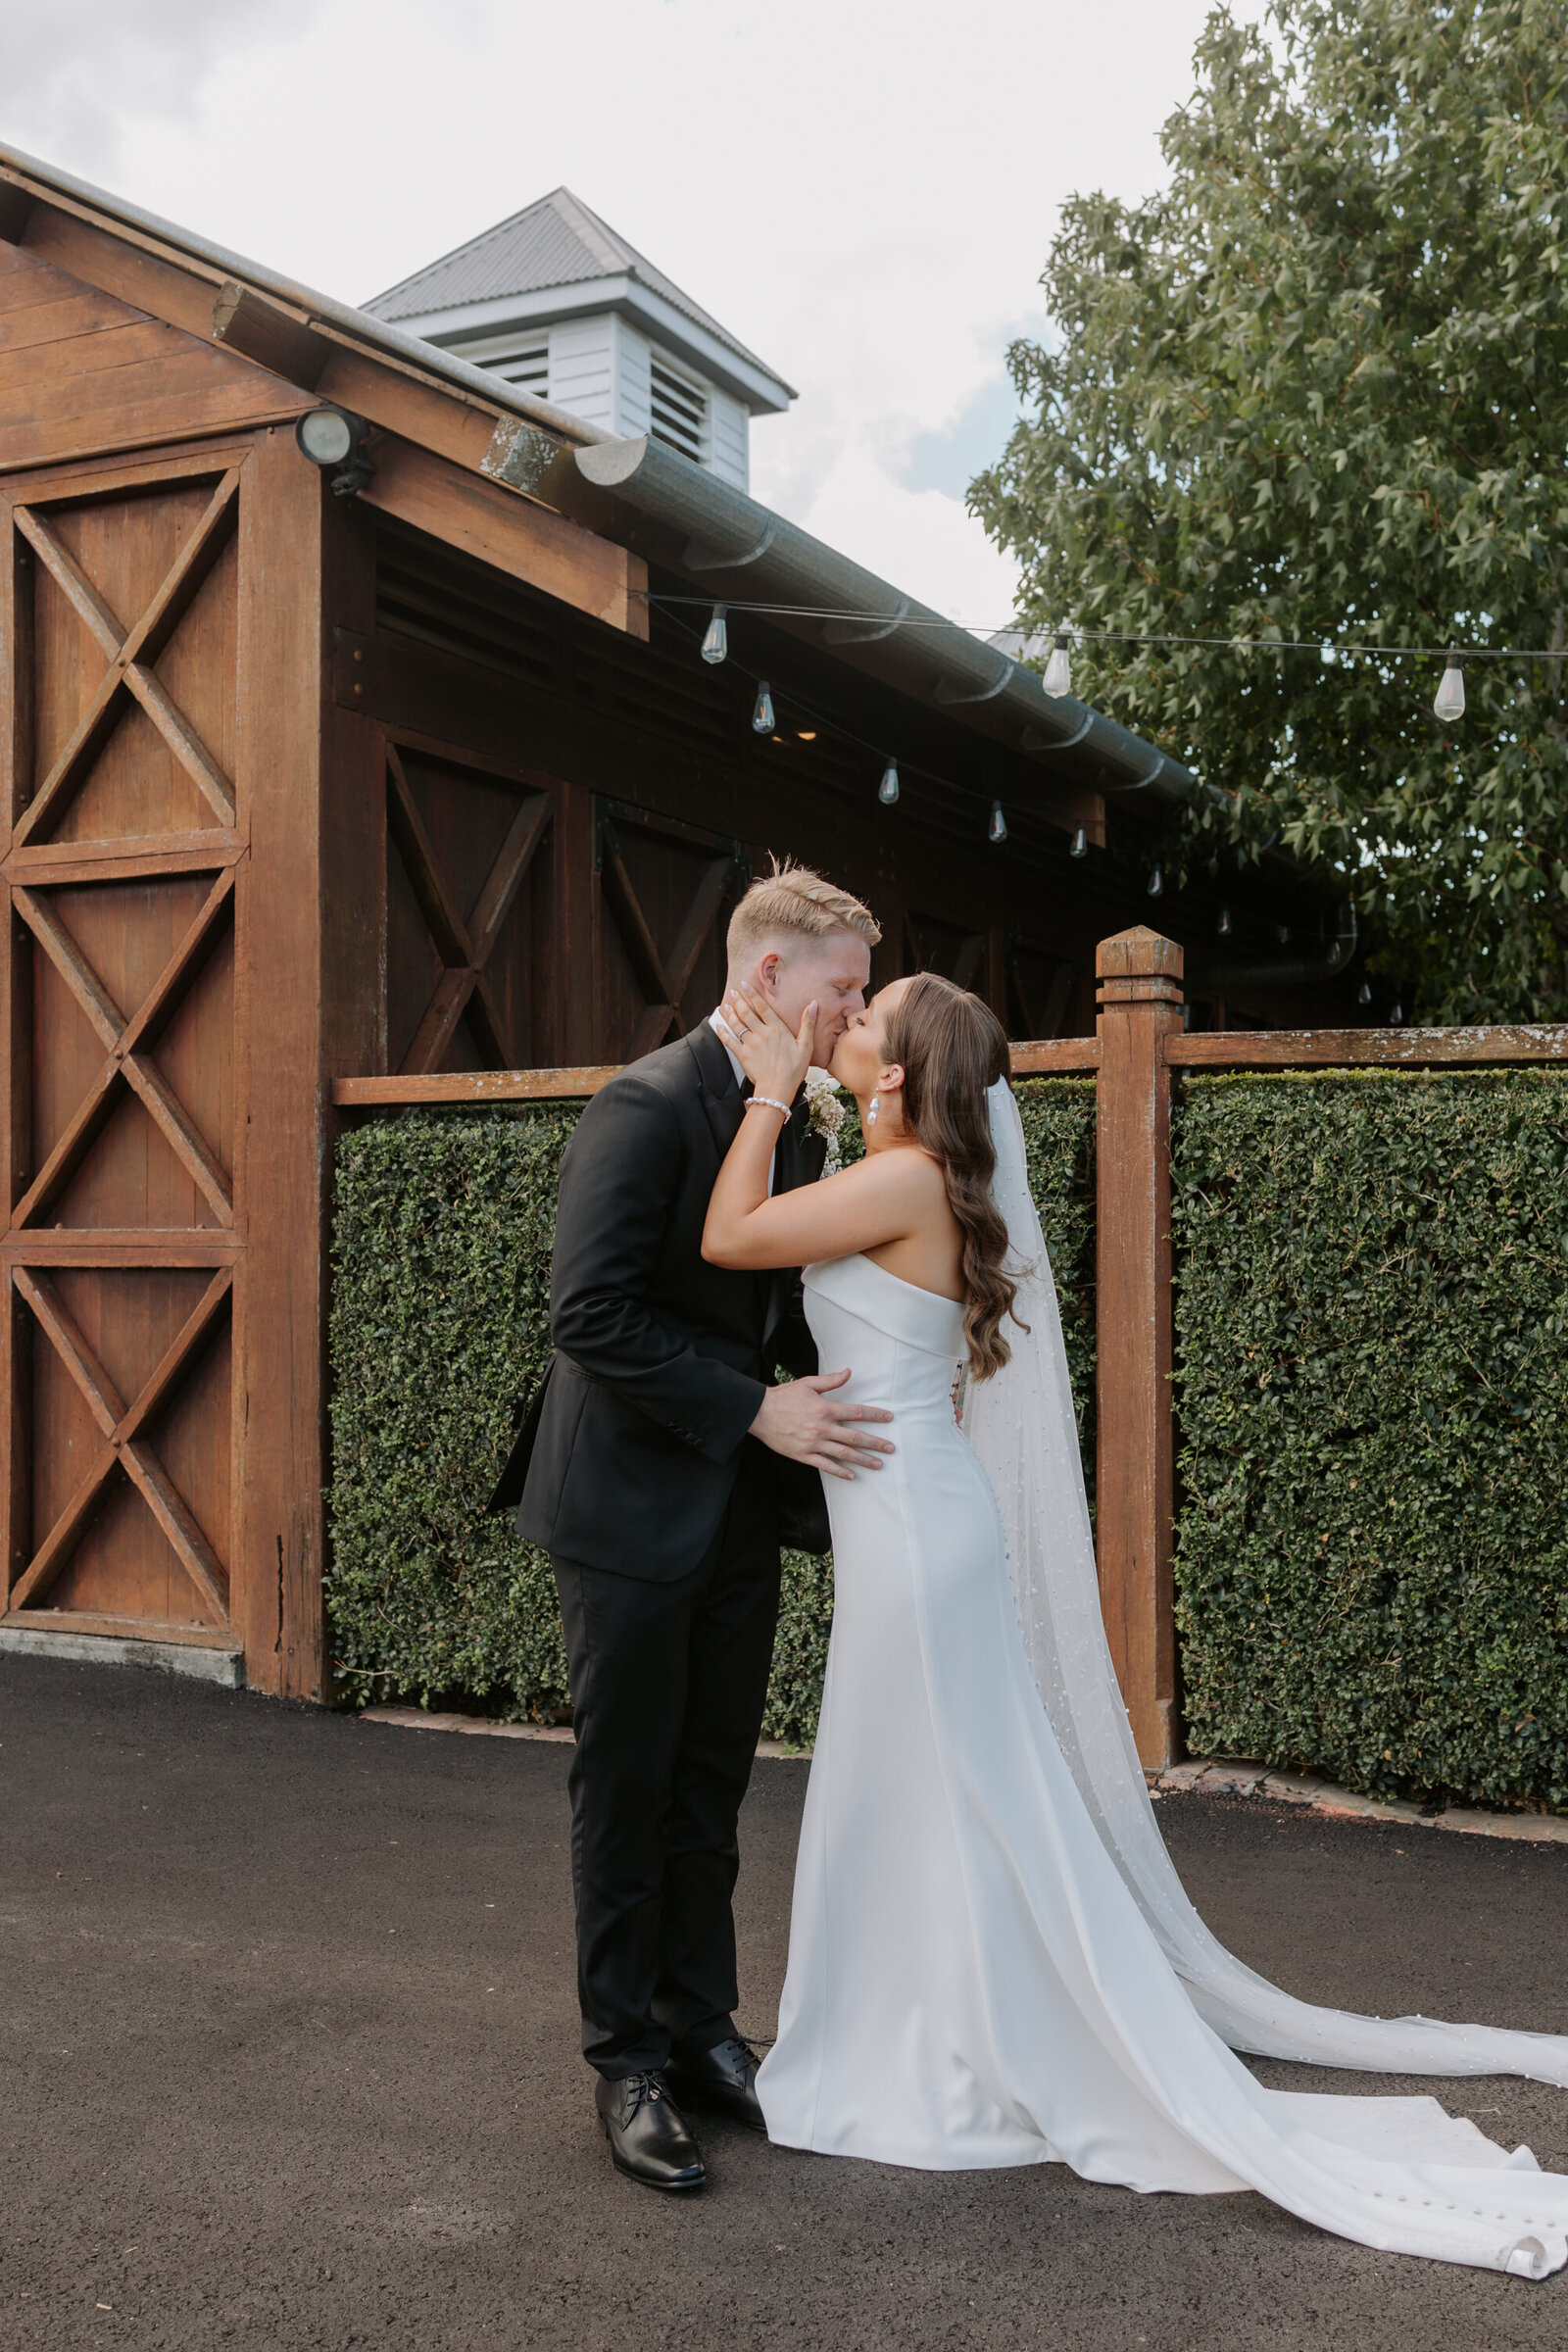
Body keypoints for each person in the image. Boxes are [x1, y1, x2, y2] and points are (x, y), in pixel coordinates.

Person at [703, 968, 1568, 2278]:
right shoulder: (911, 1174)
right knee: (931, 1795)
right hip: (909, 1527)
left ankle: (947, 2042)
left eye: (870, 1014)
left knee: (941, 1792)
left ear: (902, 1066)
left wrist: (768, 1098)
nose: (852, 1016)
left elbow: (729, 1235)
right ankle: (935, 2021)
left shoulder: (908, 1179)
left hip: (918, 1543)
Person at [509, 859, 894, 2193]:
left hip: (735, 1508)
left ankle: (702, 2031)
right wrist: (756, 1412)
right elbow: (590, 1315)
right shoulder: (646, 1103)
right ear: (767, 980)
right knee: (625, 1791)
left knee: (712, 1784)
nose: (858, 1012)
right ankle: (624, 2061)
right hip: (623, 1509)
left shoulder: (795, 1121)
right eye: (843, 989)